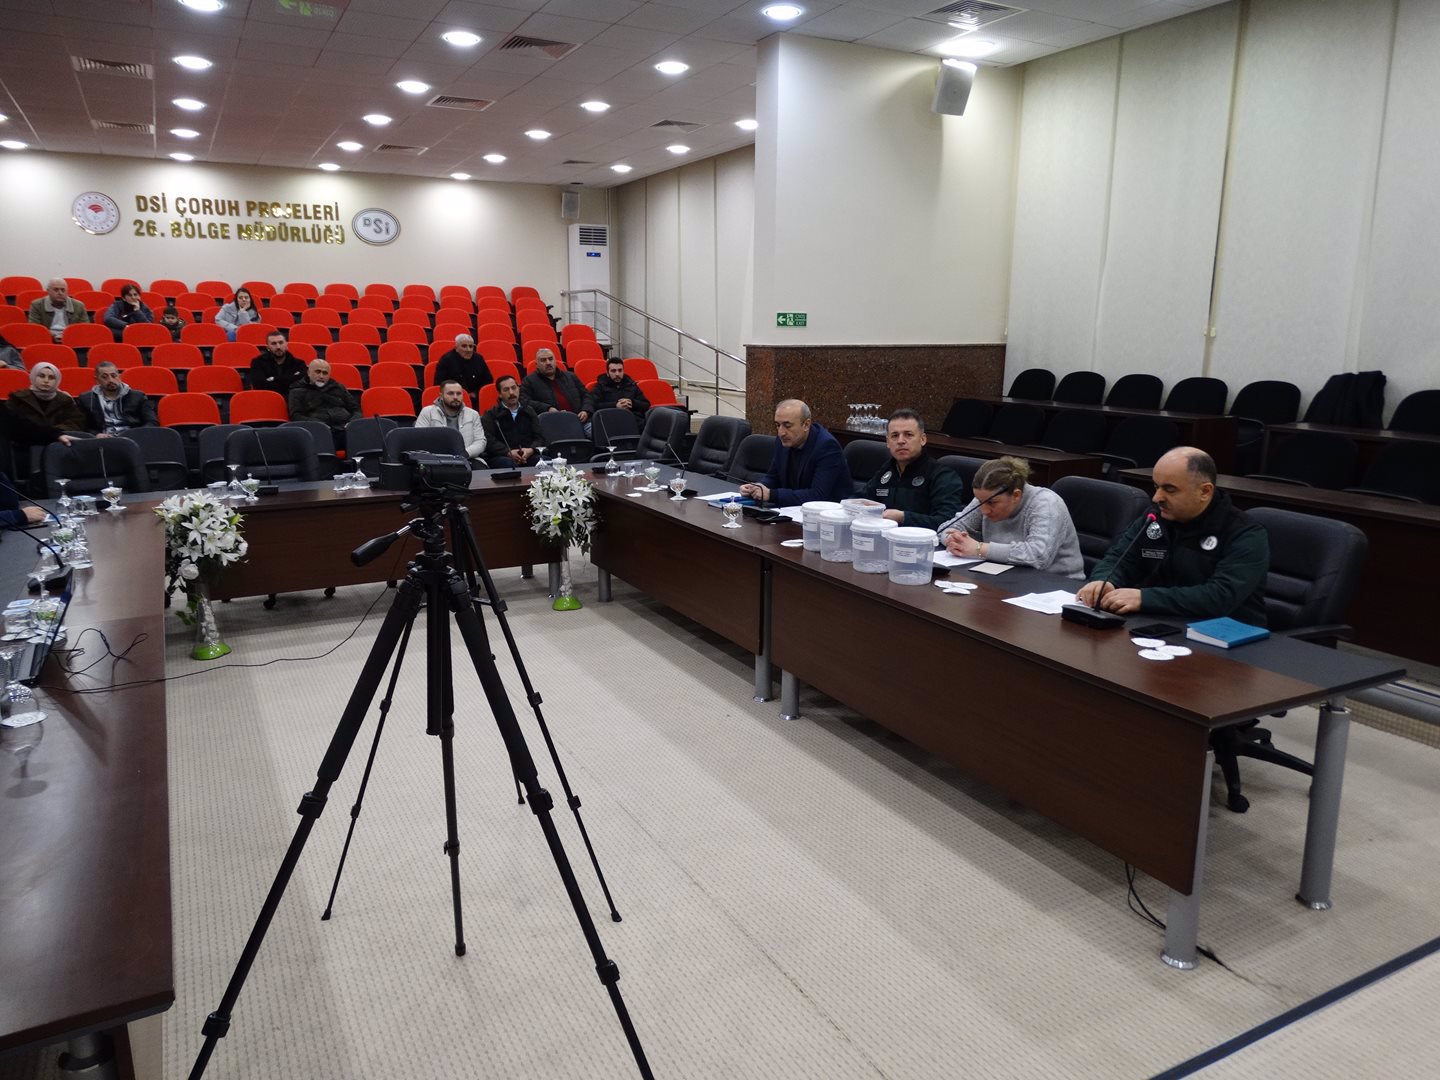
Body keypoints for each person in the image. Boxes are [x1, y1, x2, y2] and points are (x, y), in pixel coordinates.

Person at [1075, 446, 1270, 624]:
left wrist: (1145, 598)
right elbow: (1121, 558)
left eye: (1169, 489)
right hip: (1161, 622)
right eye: (1156, 487)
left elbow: (1220, 596)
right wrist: (1104, 581)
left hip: (1224, 634)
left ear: (1205, 491)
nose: (1156, 498)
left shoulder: (1245, 533)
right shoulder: (1154, 517)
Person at [937, 456, 1084, 578]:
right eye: (980, 501)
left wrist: (978, 548)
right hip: (1006, 576)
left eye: (991, 503)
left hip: (1055, 585)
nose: (984, 510)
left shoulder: (1046, 503)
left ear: (1016, 495)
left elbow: (1038, 556)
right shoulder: (986, 497)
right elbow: (947, 528)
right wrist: (953, 540)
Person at [860, 408, 966, 530]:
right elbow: (860, 499)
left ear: (923, 439)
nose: (900, 441)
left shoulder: (943, 476)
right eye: (895, 435)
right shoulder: (886, 470)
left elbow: (947, 522)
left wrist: (904, 517)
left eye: (908, 435)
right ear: (888, 442)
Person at [740, 398, 851, 506]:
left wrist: (772, 495)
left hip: (826, 513)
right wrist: (758, 488)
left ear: (806, 425)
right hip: (792, 508)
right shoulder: (783, 440)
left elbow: (817, 495)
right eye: (778, 425)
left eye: (787, 426)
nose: (781, 432)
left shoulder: (827, 447)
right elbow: (773, 477)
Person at [416, 380, 487, 464]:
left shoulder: (473, 414)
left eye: (459, 393)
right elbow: (419, 439)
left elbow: (480, 441)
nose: (455, 397)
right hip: (436, 460)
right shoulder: (427, 412)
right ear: (441, 396)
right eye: (450, 393)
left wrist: (465, 453)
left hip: (469, 458)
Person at [76, 361, 158, 434]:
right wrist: (96, 434)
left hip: (132, 436)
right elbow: (81, 426)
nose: (110, 380)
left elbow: (152, 422)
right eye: (104, 377)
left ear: (119, 377)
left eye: (113, 376)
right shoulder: (86, 399)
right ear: (97, 380)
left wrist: (137, 433)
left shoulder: (137, 396)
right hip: (103, 439)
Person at [5, 362, 87, 435]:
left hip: (59, 441)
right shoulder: (18, 398)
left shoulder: (65, 400)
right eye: (42, 376)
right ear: (33, 377)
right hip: (26, 441)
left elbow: (76, 422)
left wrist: (52, 432)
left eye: (51, 377)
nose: (46, 381)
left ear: (57, 380)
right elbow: (9, 422)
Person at [481, 374, 541, 467]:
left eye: (514, 388)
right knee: (510, 465)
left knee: (546, 461)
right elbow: (489, 440)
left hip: (528, 455)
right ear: (500, 394)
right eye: (506, 390)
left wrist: (531, 450)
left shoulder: (529, 411)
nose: (511, 392)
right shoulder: (491, 414)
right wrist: (507, 452)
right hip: (503, 456)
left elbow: (539, 437)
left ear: (519, 389)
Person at [520, 348, 593, 425]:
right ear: (537, 365)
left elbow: (586, 395)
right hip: (551, 424)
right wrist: (547, 408)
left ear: (555, 361)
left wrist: (586, 410)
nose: (548, 363)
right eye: (543, 360)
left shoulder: (571, 376)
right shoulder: (528, 381)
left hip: (580, 421)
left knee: (596, 429)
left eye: (550, 359)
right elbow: (524, 401)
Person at [288, 359, 361, 431]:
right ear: (308, 373)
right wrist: (319, 425)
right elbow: (296, 416)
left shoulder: (339, 387)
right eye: (317, 372)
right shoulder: (297, 391)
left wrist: (351, 423)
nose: (321, 376)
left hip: (345, 428)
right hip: (317, 430)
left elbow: (356, 409)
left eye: (325, 373)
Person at [26, 278, 90, 342]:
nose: (60, 293)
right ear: (48, 291)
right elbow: (35, 329)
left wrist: (66, 335)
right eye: (56, 290)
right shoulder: (37, 305)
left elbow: (84, 328)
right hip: (45, 339)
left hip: (72, 339)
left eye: (63, 290)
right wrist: (53, 335)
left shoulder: (79, 306)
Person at [250, 330, 307, 397]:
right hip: (266, 399)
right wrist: (289, 380)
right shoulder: (257, 363)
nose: (278, 347)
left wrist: (274, 379)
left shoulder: (299, 364)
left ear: (286, 345)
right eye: (274, 343)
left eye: (281, 342)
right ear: (268, 347)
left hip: (292, 400)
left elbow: (300, 384)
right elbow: (259, 386)